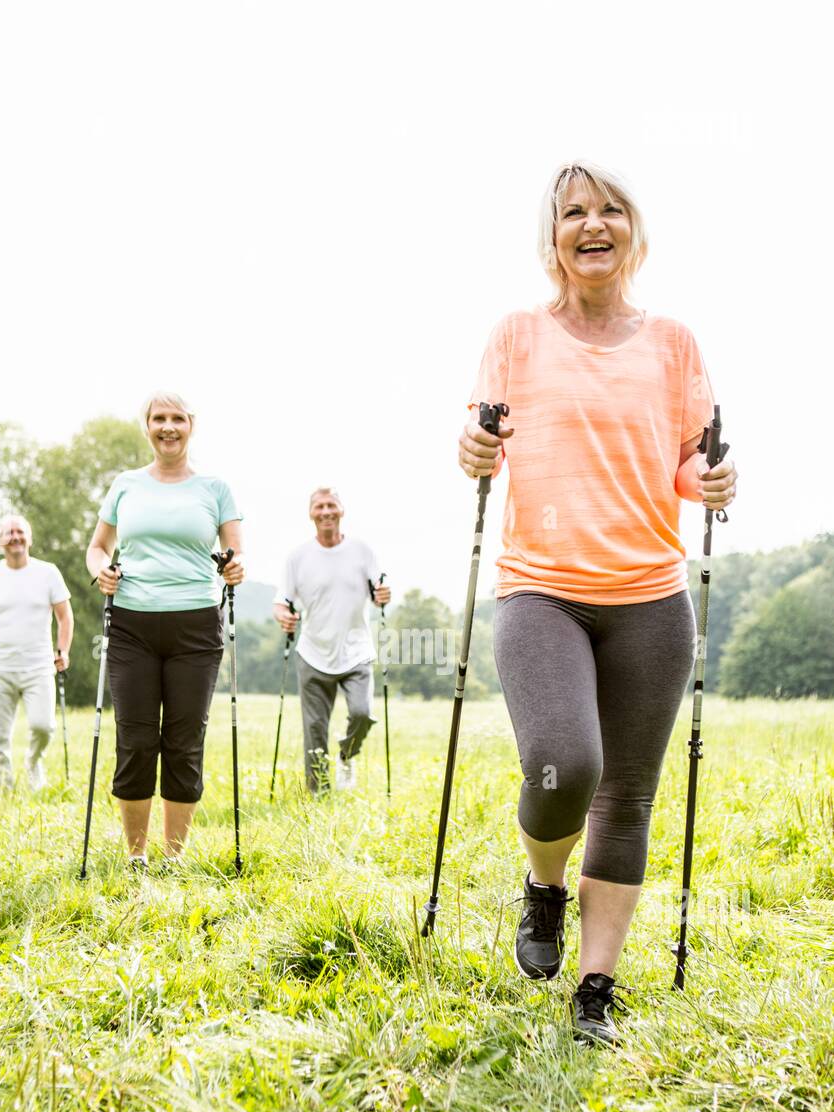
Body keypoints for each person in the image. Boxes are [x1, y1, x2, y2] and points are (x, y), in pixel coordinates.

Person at [459, 161, 738, 1045]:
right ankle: (543, 884)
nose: (593, 223)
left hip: (651, 599)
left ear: (633, 231)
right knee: (562, 767)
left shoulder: (674, 344)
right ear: (553, 236)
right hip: (543, 590)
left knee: (627, 796)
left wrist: (713, 477)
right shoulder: (516, 335)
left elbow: (689, 459)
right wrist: (472, 445)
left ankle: (595, 991)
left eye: (610, 209)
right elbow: (483, 436)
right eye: (573, 210)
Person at [85, 392, 244, 867]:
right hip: (132, 623)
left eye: (177, 418)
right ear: (147, 426)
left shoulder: (215, 488)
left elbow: (235, 550)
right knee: (134, 740)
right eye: (159, 418)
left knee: (183, 740)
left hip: (195, 626)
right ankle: (137, 856)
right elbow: (98, 547)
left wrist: (235, 569)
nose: (168, 427)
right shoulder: (126, 485)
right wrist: (101, 571)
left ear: (191, 426)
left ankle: (173, 858)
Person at [274, 488, 390, 792]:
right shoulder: (297, 557)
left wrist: (383, 595)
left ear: (341, 510)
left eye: (331, 505)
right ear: (311, 514)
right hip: (313, 653)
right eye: (319, 506)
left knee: (362, 714)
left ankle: (346, 754)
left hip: (357, 652)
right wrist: (282, 615)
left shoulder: (362, 551)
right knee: (314, 729)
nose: (325, 511)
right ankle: (318, 795)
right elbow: (281, 601)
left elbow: (380, 593)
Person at [0, 515, 73, 791]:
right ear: (0, 541)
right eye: (8, 532)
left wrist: (63, 650)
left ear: (29, 538)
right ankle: (1, 789)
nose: (14, 536)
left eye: (20, 531)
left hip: (38, 666)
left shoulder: (48, 572)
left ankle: (33, 761)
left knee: (43, 726)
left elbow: (65, 616)